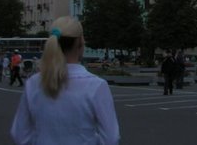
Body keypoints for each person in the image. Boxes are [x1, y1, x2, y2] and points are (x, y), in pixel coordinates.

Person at [10, 16, 120, 145]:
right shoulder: (96, 86)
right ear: (80, 43)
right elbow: (111, 139)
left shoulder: (34, 83)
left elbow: (19, 135)